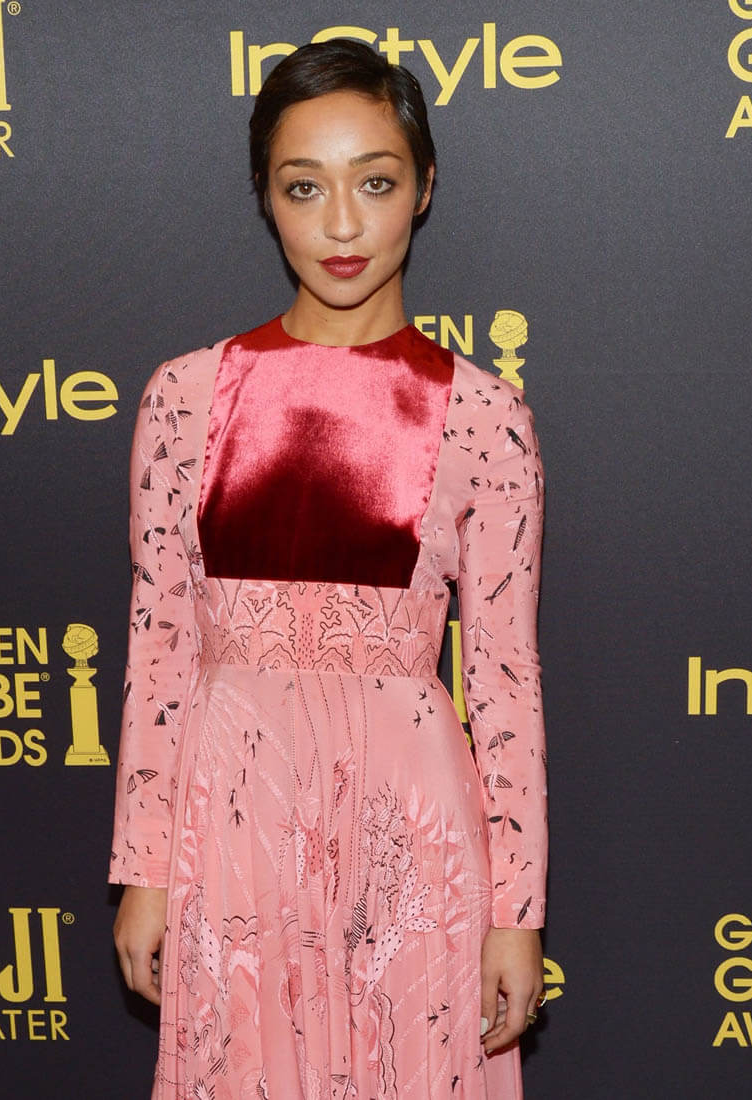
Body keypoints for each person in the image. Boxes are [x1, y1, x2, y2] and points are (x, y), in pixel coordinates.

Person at [110, 38, 547, 1100]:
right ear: (266, 199)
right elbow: (160, 650)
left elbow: (503, 682)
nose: (342, 225)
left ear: (424, 188)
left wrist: (516, 910)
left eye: (376, 182)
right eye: (304, 187)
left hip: (411, 837)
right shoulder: (185, 396)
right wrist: (144, 869)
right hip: (231, 827)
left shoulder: (485, 416)